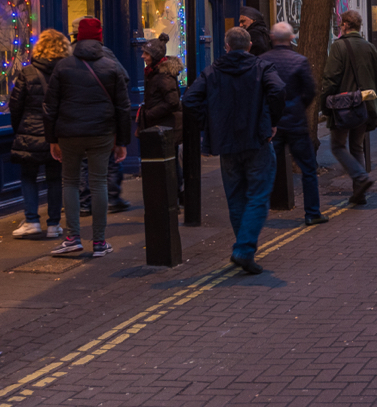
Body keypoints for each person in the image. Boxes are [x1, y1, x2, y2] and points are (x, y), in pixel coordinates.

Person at [182, 27, 285, 274]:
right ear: (249, 46)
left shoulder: (212, 72)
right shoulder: (262, 67)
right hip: (257, 140)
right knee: (259, 195)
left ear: (226, 46)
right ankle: (244, 249)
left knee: (236, 197)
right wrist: (272, 121)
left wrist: (209, 124)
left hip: (228, 144)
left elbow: (189, 100)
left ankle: (243, 247)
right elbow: (278, 90)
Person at [44, 17, 131, 258]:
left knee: (70, 182)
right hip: (102, 132)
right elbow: (123, 108)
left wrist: (52, 139)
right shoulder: (111, 66)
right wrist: (122, 142)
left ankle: (72, 237)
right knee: (99, 182)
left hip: (69, 132)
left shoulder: (63, 66)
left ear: (78, 38)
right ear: (100, 38)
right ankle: (100, 242)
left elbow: (50, 106)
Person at [9, 29, 69, 239]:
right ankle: (54, 224)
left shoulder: (28, 72)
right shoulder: (67, 72)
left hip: (30, 131)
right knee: (55, 178)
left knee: (28, 177)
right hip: (58, 133)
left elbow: (15, 105)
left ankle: (32, 220)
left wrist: (20, 129)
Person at [264, 22, 326, 226]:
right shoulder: (300, 61)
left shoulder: (263, 61)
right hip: (296, 122)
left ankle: (258, 212)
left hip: (273, 122)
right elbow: (310, 90)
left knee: (266, 169)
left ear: (272, 37)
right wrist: (299, 106)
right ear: (291, 38)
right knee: (308, 168)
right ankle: (312, 213)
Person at [321, 10, 377, 205]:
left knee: (338, 146)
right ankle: (359, 194)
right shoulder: (369, 47)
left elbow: (330, 79)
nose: (340, 27)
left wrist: (325, 104)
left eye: (341, 24)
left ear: (346, 25)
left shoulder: (338, 47)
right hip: (365, 106)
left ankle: (360, 177)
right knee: (357, 147)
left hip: (344, 108)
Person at [137, 33, 183, 202]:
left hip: (167, 126)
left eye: (146, 54)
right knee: (169, 162)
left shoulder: (163, 76)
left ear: (155, 56)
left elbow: (172, 102)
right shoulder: (154, 73)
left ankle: (175, 196)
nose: (143, 56)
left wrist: (149, 114)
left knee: (169, 162)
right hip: (162, 125)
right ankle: (175, 195)